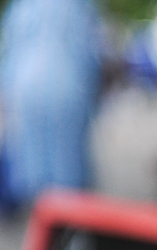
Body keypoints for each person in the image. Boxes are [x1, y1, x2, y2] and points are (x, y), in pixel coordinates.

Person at [0, 0, 102, 209]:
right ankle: (64, 223)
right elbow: (87, 50)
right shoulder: (77, 6)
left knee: (34, 161)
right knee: (67, 166)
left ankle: (41, 218)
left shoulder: (22, 6)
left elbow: (11, 48)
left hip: (24, 85)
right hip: (65, 83)